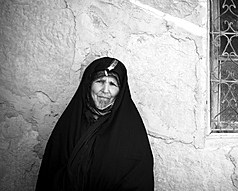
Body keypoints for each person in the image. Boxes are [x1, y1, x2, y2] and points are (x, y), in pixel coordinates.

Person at [35, 57, 154, 191]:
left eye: (113, 84)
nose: (105, 90)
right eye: (100, 81)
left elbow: (138, 180)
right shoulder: (70, 124)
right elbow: (51, 171)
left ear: (120, 91)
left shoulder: (131, 132)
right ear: (89, 84)